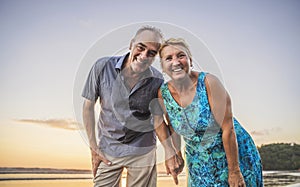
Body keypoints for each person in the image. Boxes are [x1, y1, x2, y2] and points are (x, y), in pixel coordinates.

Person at [82, 26, 183, 187]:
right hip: (109, 148)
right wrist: (93, 148)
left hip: (143, 150)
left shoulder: (157, 80)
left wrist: (172, 152)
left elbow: (159, 119)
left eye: (151, 53)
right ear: (131, 44)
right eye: (141, 48)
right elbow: (87, 108)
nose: (144, 56)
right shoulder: (101, 67)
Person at [157, 38, 263, 187]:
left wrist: (234, 171)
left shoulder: (209, 82)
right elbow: (173, 127)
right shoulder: (163, 94)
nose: (176, 62)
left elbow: (228, 128)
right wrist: (176, 156)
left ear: (190, 60)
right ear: (163, 66)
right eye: (169, 58)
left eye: (181, 55)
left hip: (233, 156)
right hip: (198, 162)